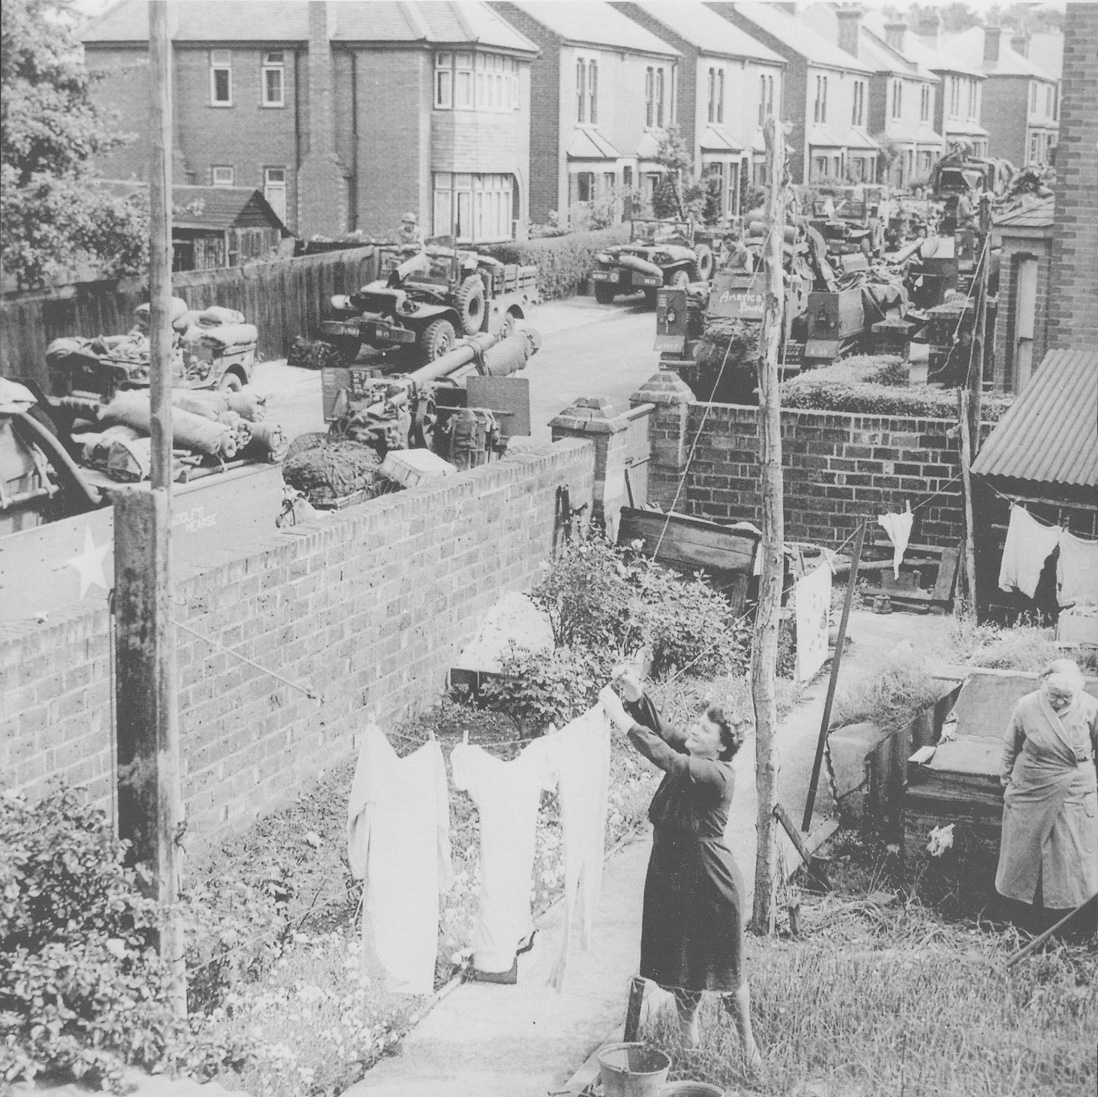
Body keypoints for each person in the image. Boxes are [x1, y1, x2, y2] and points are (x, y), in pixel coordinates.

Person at [599, 667, 760, 1067]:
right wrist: (636, 698)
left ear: (720, 748)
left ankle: (749, 1049)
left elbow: (667, 757)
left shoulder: (716, 775)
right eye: (698, 722)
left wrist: (620, 719)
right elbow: (665, 731)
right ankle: (690, 1041)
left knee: (727, 969)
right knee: (685, 965)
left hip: (709, 879)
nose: (694, 730)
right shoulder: (697, 753)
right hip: (674, 874)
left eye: (704, 730)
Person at [996, 658, 1098, 933]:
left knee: (1071, 855)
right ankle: (1022, 920)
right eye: (1054, 696)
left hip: (1075, 789)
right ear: (1044, 687)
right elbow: (1010, 745)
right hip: (1032, 786)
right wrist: (1006, 778)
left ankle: (1072, 924)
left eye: (1067, 697)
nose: (1060, 702)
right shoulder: (1026, 705)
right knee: (1024, 854)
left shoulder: (1090, 706)